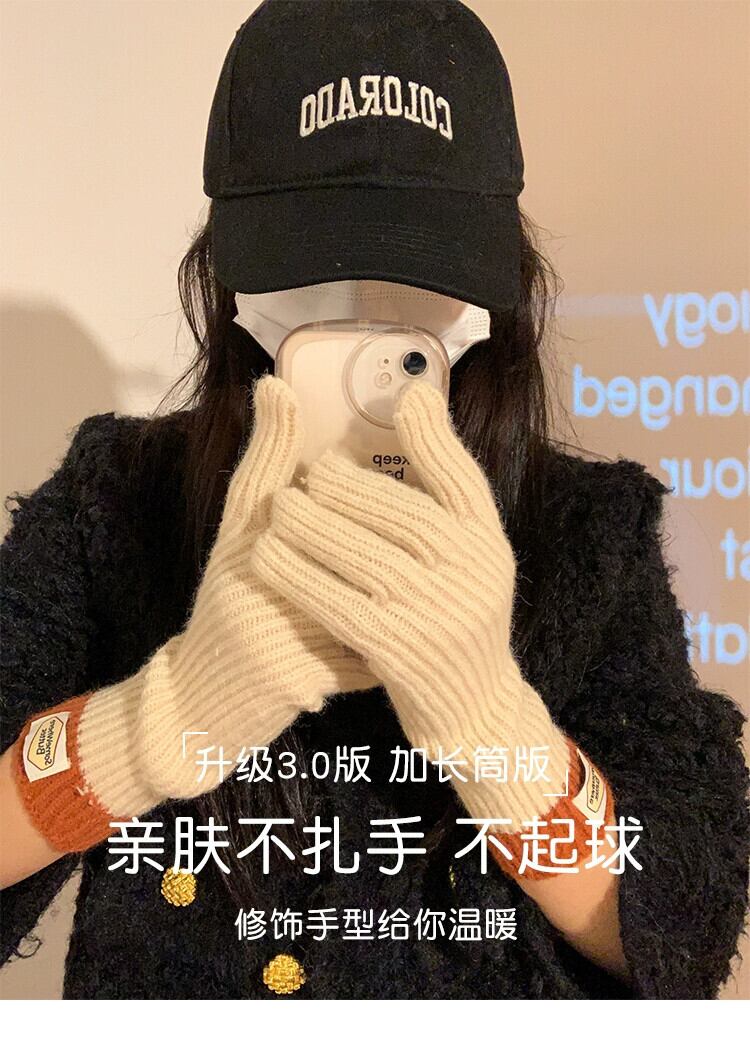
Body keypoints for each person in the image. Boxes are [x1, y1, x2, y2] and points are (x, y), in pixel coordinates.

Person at [1, 0, 747, 1001]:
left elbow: (685, 926)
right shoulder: (116, 499)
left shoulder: (588, 530)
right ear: (225, 277)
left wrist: (495, 732)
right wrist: (153, 725)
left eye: (416, 283)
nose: (363, 318)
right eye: (312, 281)